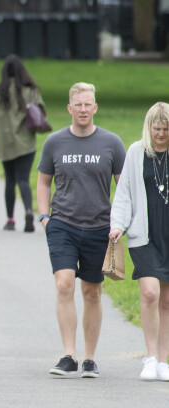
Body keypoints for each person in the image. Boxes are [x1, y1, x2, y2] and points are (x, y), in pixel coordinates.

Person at [37, 82, 126, 378]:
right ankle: (68, 355)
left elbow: (123, 187)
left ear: (95, 108)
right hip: (62, 224)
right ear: (70, 109)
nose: (83, 109)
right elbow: (43, 182)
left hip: (99, 227)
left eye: (88, 104)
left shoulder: (111, 143)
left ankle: (89, 358)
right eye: (78, 105)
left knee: (91, 292)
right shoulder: (54, 142)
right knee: (64, 283)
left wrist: (119, 223)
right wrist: (44, 217)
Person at [110, 102, 169, 381]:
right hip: (144, 234)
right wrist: (117, 225)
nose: (160, 134)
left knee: (167, 300)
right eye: (156, 129)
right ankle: (150, 357)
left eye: (166, 129)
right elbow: (124, 194)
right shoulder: (136, 152)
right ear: (149, 127)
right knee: (149, 293)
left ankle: (163, 360)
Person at [0, 54, 45, 232]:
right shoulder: (30, 91)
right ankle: (28, 210)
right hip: (25, 143)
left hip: (5, 144)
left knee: (10, 181)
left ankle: (10, 220)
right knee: (24, 179)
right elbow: (41, 115)